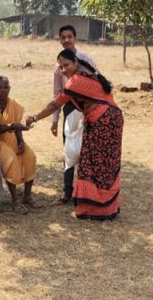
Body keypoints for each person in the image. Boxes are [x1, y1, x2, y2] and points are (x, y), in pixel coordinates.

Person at [28, 49, 123, 221]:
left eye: (66, 65)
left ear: (76, 62)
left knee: (92, 163)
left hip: (102, 121)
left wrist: (35, 117)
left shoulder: (76, 82)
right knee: (106, 163)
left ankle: (94, 209)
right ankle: (107, 207)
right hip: (113, 118)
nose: (63, 70)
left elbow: (54, 105)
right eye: (60, 67)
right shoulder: (89, 75)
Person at [52, 25, 97, 204]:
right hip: (69, 107)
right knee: (70, 149)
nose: (66, 40)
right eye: (63, 37)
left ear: (75, 38)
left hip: (88, 107)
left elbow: (97, 82)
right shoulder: (58, 67)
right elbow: (57, 94)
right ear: (60, 40)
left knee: (87, 149)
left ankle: (86, 191)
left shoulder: (86, 60)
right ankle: (67, 191)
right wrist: (54, 120)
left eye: (69, 36)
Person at [0, 76, 39, 214]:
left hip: (11, 138)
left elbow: (17, 126)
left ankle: (27, 196)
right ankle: (15, 200)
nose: (2, 90)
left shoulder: (14, 105)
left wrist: (20, 141)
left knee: (29, 156)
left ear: (9, 89)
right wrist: (10, 126)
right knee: (11, 159)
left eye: (5, 87)